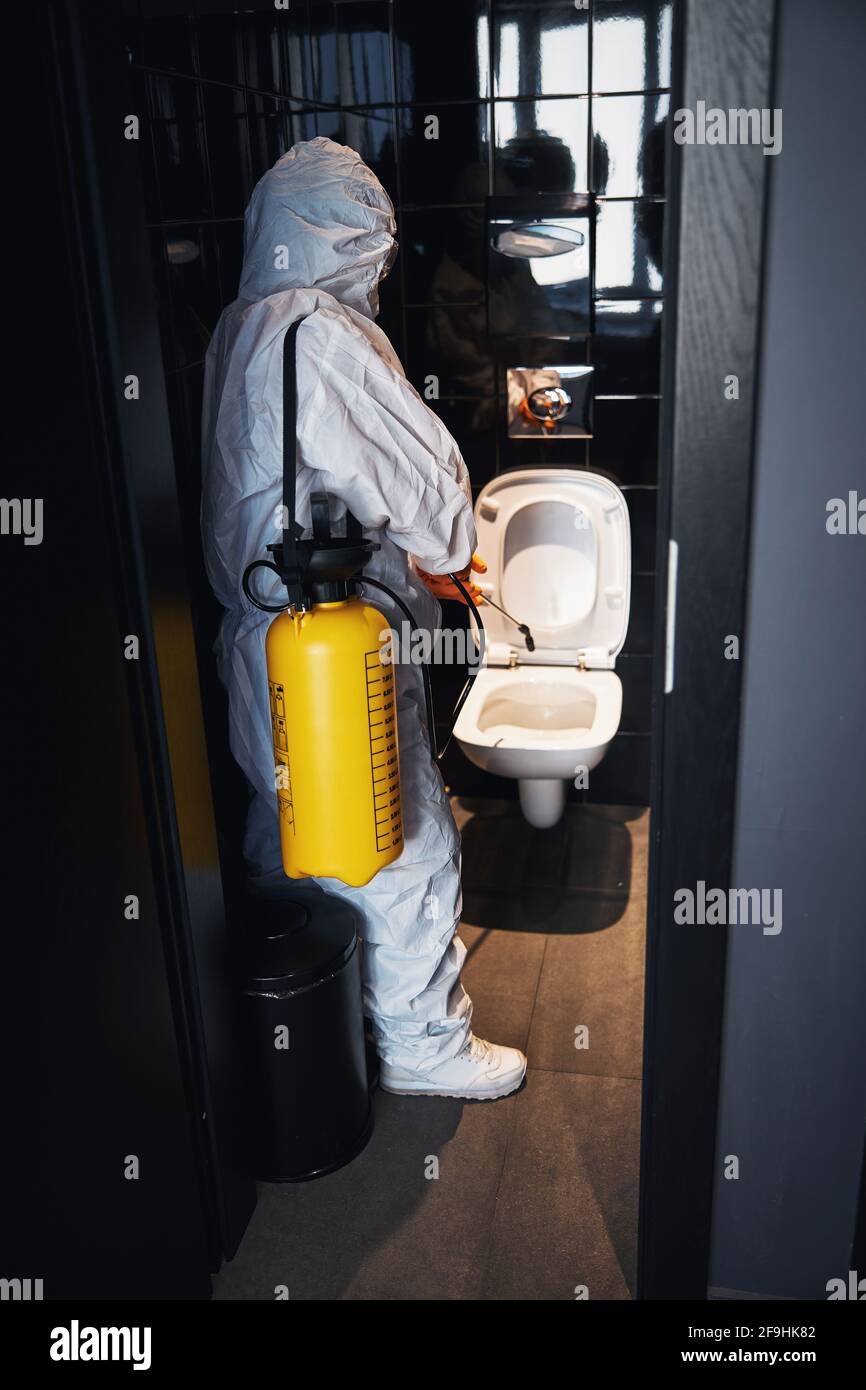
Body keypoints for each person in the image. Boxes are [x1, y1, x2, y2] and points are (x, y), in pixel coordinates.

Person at [201, 137, 527, 1100]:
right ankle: (424, 1048)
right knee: (403, 842)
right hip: (334, 642)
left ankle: (321, 1031)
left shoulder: (238, 328)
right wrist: (450, 554)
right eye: (371, 240)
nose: (380, 259)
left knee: (292, 827)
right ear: (342, 239)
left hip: (253, 639)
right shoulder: (321, 333)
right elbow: (424, 492)